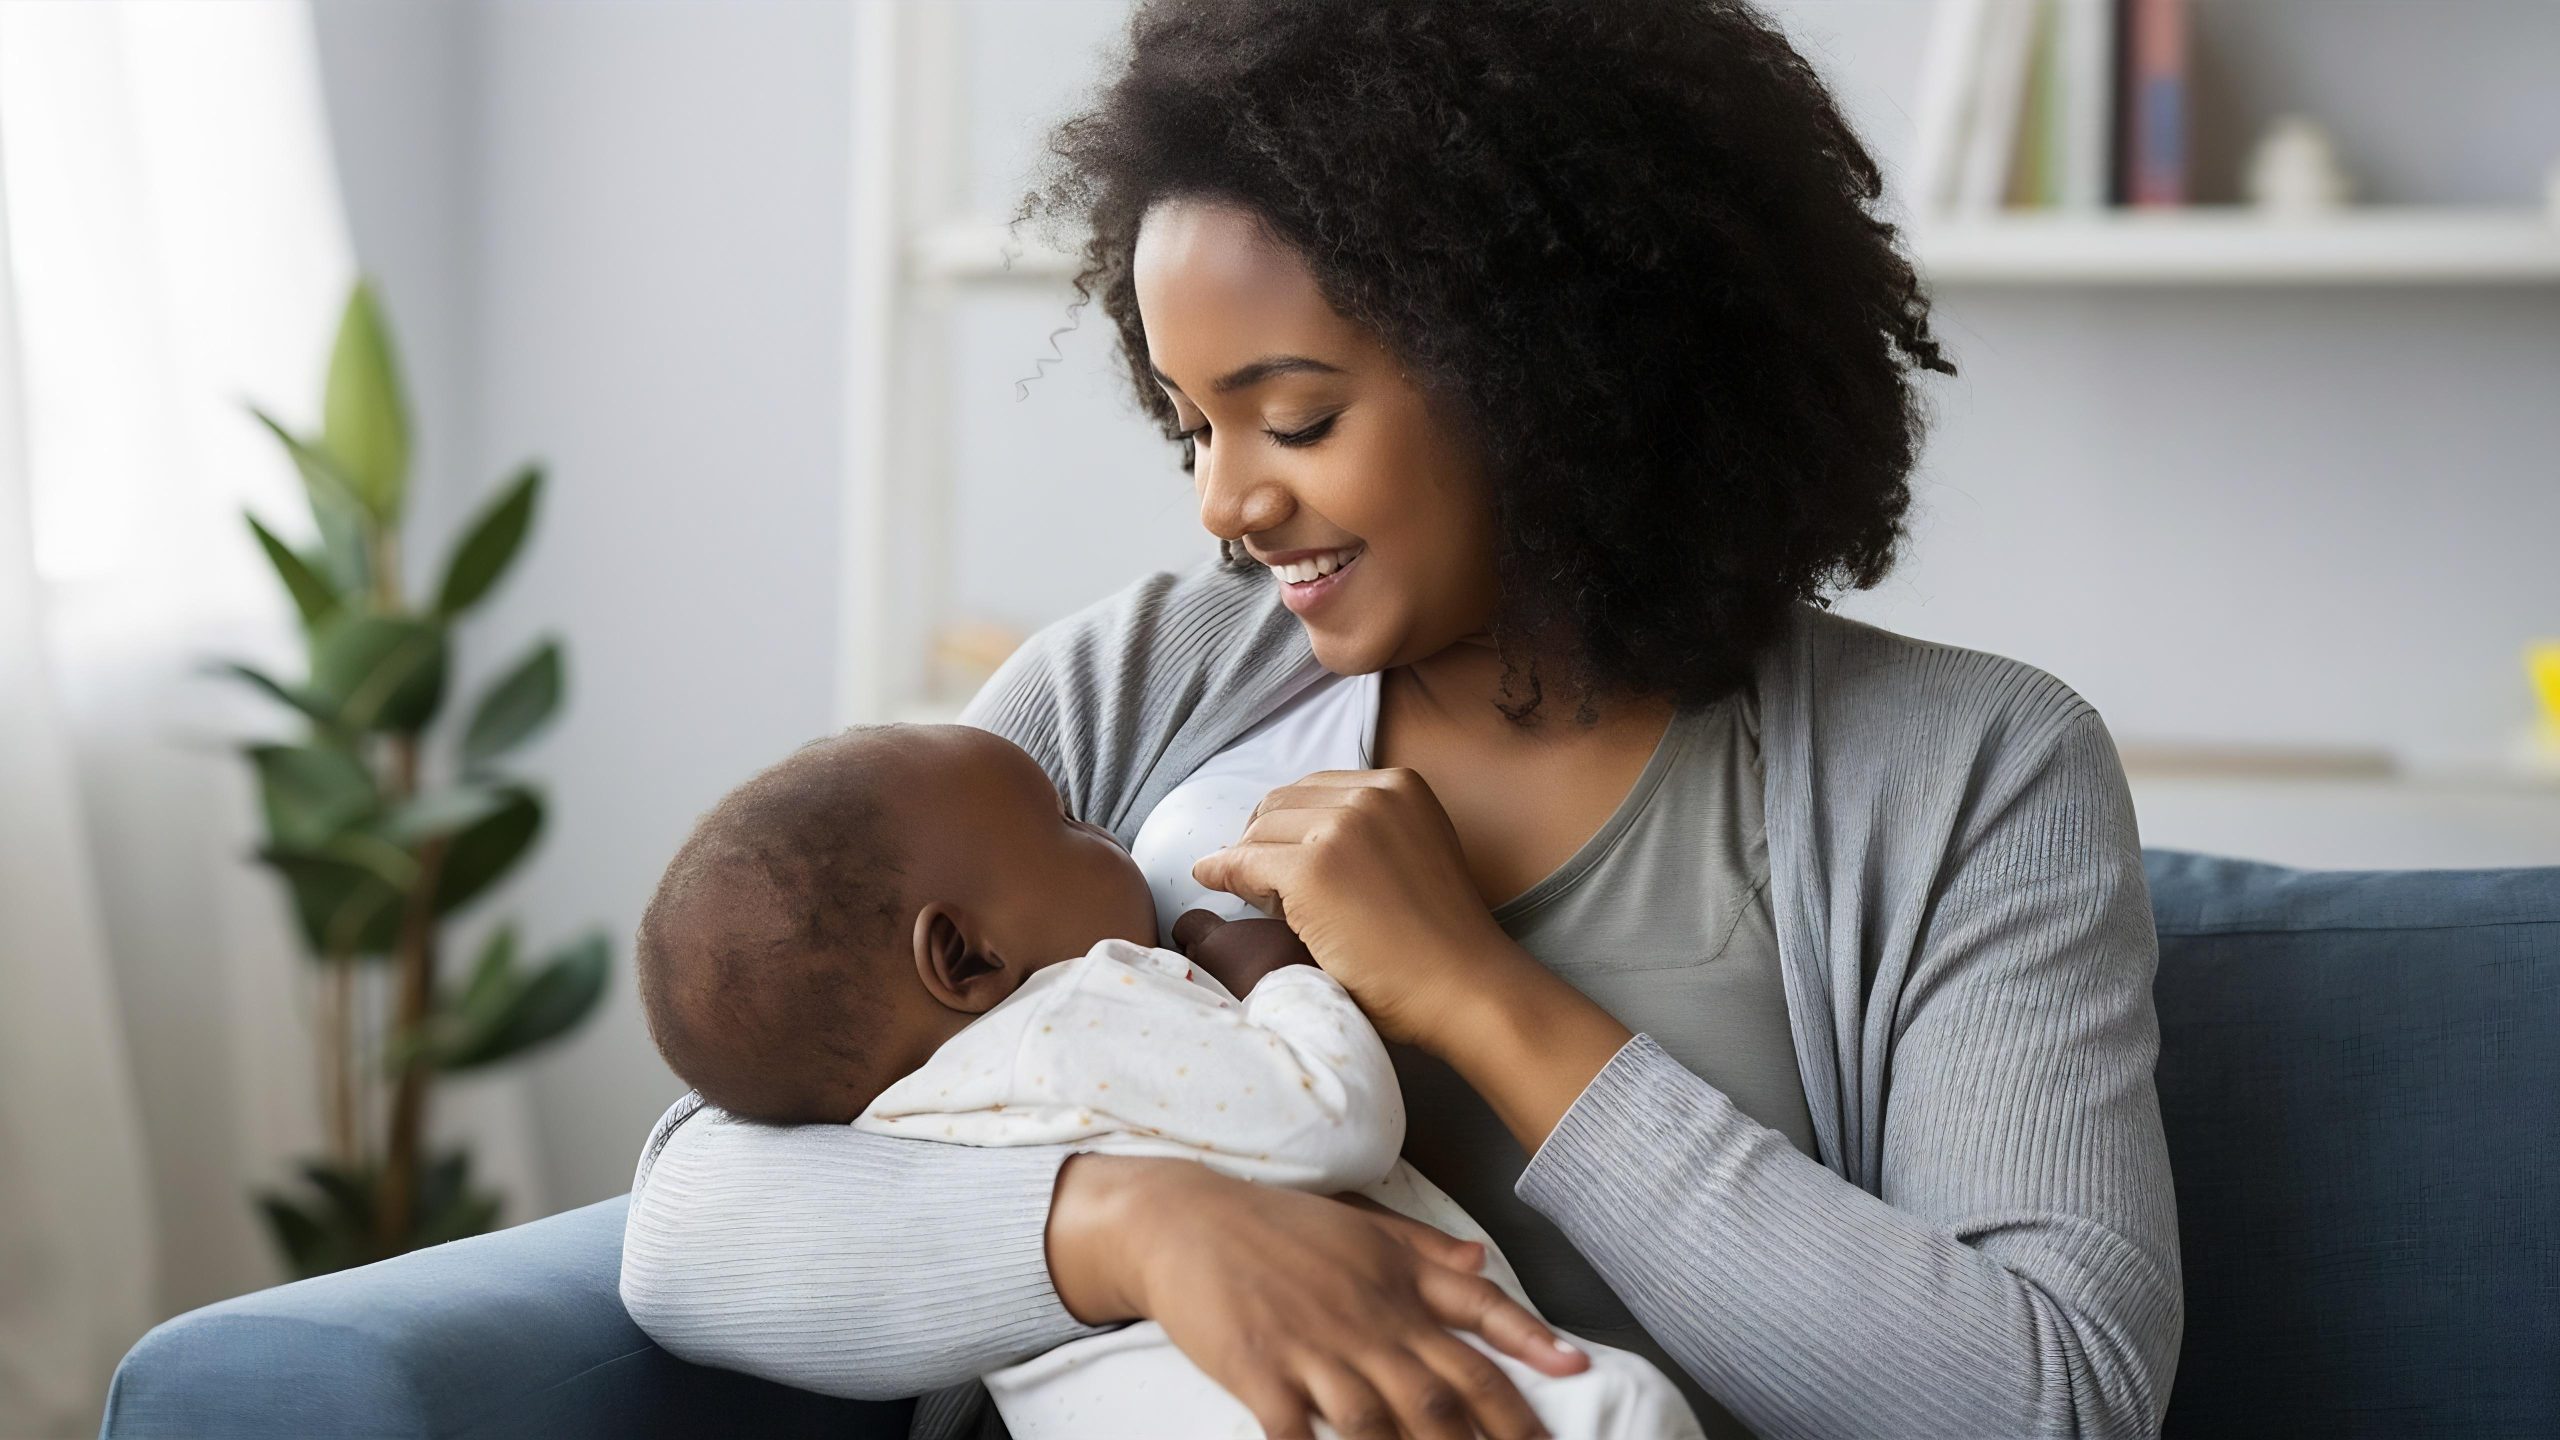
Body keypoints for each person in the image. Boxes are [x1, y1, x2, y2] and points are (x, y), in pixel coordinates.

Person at [620, 2, 2185, 1437]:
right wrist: (1142, 1229)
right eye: (1192, 424)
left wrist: (1477, 994)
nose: (1226, 502)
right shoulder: (1127, 690)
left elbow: (2053, 1400)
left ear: (1549, 369)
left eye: (1296, 418)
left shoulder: (1973, 770)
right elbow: (694, 1218)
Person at [626, 723, 1706, 1438]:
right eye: (1067, 824)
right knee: (1621, 1412)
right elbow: (1330, 1123)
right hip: (1327, 1393)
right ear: (963, 957)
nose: (1107, 831)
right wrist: (1274, 975)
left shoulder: (899, 1117)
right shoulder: (1080, 1005)